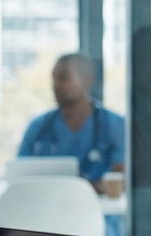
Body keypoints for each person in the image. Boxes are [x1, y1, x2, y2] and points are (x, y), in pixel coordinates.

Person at [18, 53, 126, 190]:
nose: (56, 85)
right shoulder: (38, 127)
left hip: (99, 210)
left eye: (64, 78)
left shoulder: (115, 125)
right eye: (54, 79)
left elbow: (121, 180)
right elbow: (20, 177)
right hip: (47, 209)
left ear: (87, 80)